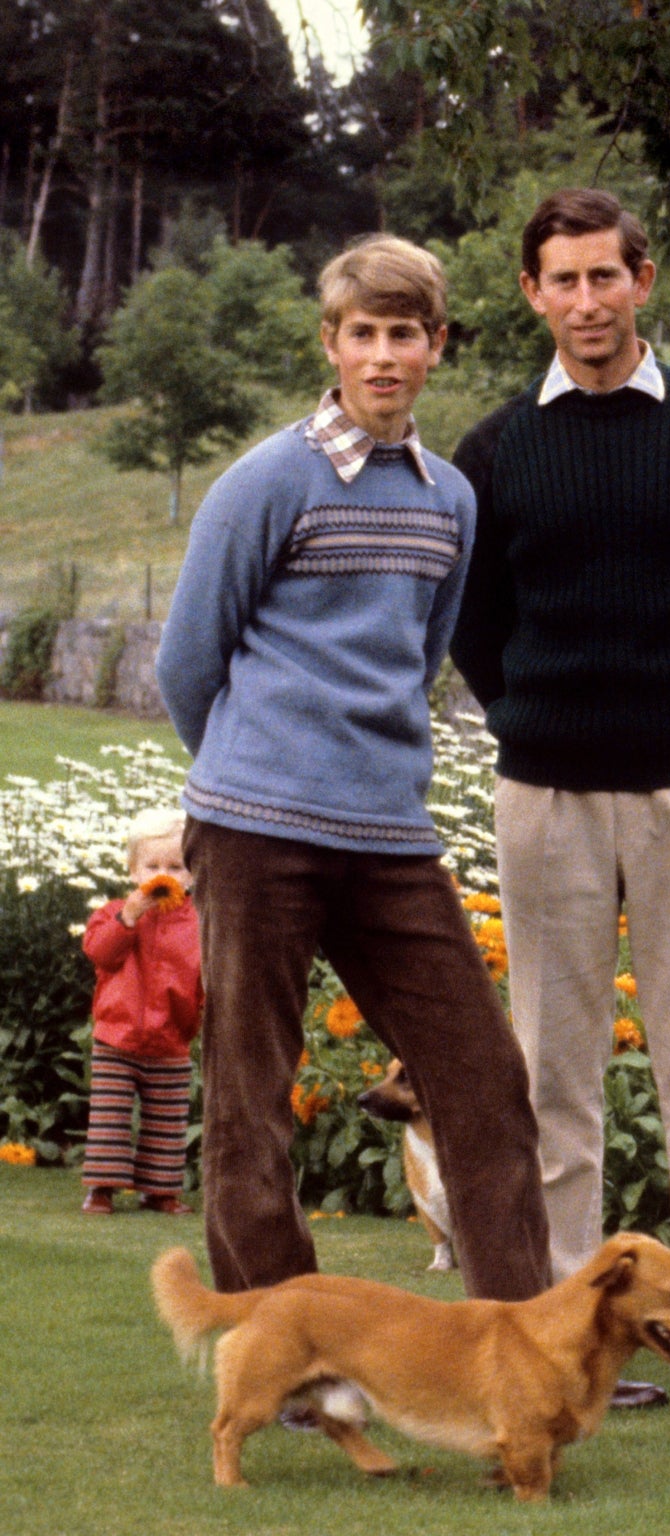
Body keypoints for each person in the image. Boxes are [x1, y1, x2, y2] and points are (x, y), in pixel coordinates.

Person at [449, 189, 670, 1394]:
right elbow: (476, 624)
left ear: (644, 281)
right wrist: (530, 717)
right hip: (544, 787)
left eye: (608, 277)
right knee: (553, 1069)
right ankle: (567, 1324)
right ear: (532, 293)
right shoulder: (495, 450)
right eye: (564, 280)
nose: (587, 302)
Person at [157, 234, 550, 1303]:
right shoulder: (267, 481)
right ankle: (279, 1350)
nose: (383, 356)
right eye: (363, 334)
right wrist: (251, 778)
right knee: (250, 1095)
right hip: (256, 830)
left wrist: (348, 775)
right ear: (331, 344)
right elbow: (188, 660)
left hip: (388, 837)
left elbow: (418, 661)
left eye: (405, 335)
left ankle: (521, 1337)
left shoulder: (449, 500)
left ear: (434, 347)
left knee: (481, 1079)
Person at [79, 807, 203, 1216]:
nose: (161, 874)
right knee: (110, 1117)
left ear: (191, 873)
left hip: (171, 1039)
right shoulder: (115, 913)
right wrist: (128, 917)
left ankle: (160, 1190)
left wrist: (196, 1018)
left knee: (166, 1122)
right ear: (133, 870)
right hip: (118, 1036)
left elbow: (207, 975)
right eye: (151, 865)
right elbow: (99, 953)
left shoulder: (200, 921)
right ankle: (102, 1188)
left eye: (175, 866)